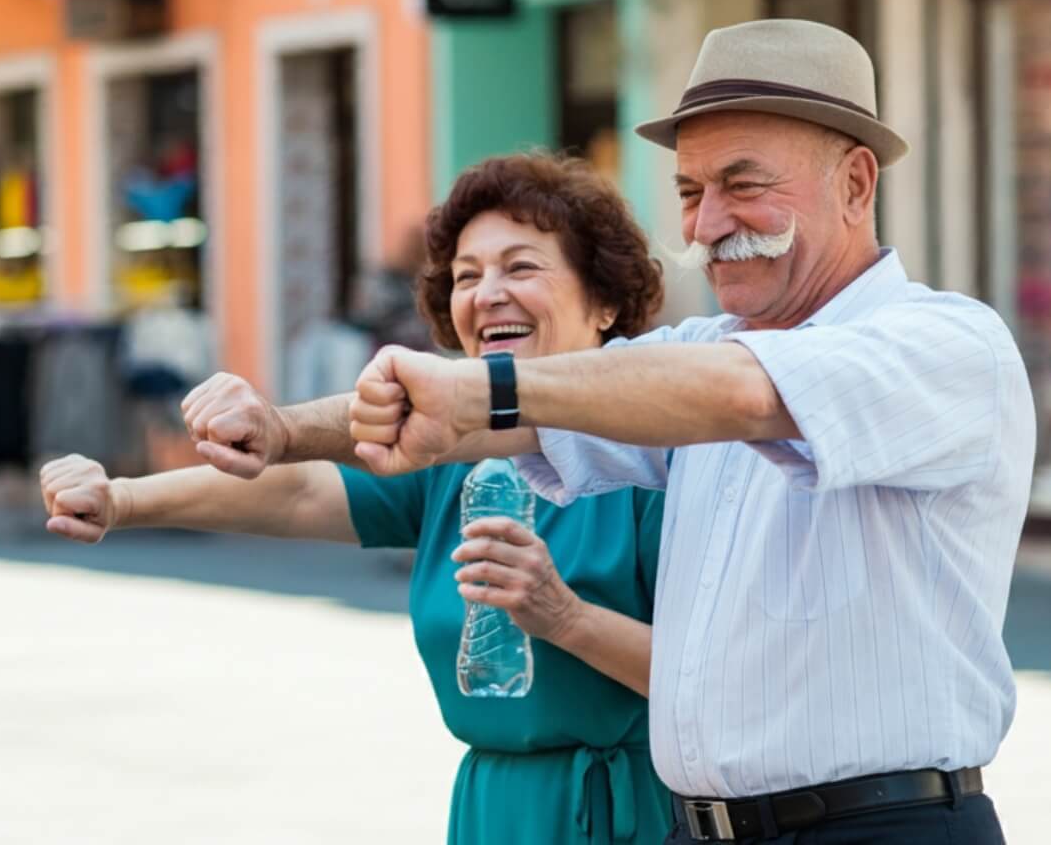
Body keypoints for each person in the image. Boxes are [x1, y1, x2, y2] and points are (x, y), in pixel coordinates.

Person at [341, 21, 1035, 844]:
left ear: (855, 184)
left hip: (880, 827)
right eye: (689, 192)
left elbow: (745, 395)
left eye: (742, 185)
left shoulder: (946, 344)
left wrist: (475, 385)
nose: (706, 225)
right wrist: (274, 430)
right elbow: (542, 411)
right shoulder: (702, 353)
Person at [40, 153, 676, 844]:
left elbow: (711, 680)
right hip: (491, 809)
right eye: (467, 276)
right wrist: (123, 499)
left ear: (604, 301)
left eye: (521, 268)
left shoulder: (658, 452)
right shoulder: (452, 455)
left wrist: (565, 617)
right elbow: (300, 491)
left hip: (627, 813)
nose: (487, 293)